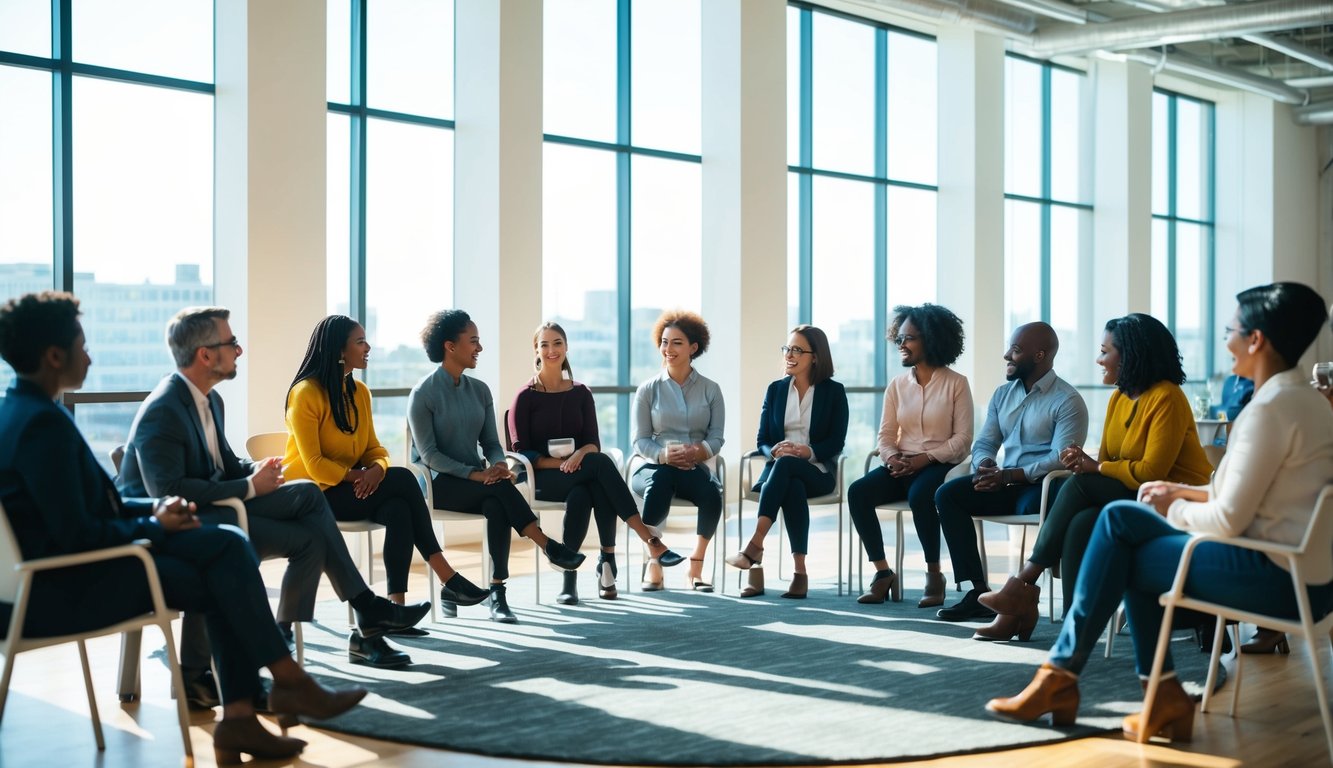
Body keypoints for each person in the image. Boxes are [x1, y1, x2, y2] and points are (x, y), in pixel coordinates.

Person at [0, 292, 366, 764]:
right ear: (54, 356)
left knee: (226, 552)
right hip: (60, 593)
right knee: (225, 558)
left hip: (64, 577)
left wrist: (152, 515)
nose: (89, 356)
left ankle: (247, 711)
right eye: (83, 346)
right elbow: (78, 536)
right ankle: (280, 686)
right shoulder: (41, 426)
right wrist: (152, 520)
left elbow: (95, 509)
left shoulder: (25, 413)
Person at [986, 282, 1333, 744]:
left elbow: (1228, 520)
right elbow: (1250, 497)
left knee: (1121, 535)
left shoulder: (1268, 410)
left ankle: (1064, 676)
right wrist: (1182, 494)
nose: (1226, 342)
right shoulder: (1309, 401)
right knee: (1116, 525)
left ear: (1256, 340)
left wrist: (1173, 506)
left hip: (1273, 577)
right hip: (1306, 574)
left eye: (1231, 330)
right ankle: (1131, 689)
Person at [117, 306, 430, 675]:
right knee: (312, 514)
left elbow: (226, 465)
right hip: (180, 529)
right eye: (231, 342)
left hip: (224, 511)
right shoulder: (163, 409)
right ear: (205, 355)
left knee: (308, 512)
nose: (239, 350)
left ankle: (299, 632)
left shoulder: (211, 401)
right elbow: (168, 493)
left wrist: (258, 470)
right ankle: (360, 617)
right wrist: (250, 485)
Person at [975, 314, 1213, 642]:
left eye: (1105, 351)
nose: (1099, 360)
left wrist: (1093, 467)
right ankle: (1077, 625)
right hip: (1137, 493)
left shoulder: (1166, 397)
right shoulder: (1119, 397)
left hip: (1174, 498)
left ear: (1130, 355)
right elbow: (1109, 461)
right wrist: (1087, 463)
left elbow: (1150, 473)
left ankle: (1024, 584)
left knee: (1079, 485)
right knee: (1081, 521)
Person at [282, 315, 490, 626]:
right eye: (360, 341)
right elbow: (314, 465)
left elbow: (374, 450)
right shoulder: (305, 393)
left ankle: (397, 608)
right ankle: (448, 576)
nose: (368, 347)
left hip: (352, 488)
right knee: (404, 478)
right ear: (339, 350)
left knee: (398, 509)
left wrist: (377, 469)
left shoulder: (359, 393)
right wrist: (361, 475)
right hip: (316, 494)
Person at [407, 310, 586, 624]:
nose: (479, 347)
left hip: (477, 481)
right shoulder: (423, 393)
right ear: (450, 346)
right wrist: (479, 474)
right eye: (473, 341)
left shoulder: (480, 391)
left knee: (497, 501)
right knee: (500, 491)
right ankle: (547, 545)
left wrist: (499, 464)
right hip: (439, 483)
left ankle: (497, 592)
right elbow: (430, 456)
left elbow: (491, 442)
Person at [507, 322, 684, 603]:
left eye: (557, 343)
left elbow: (592, 443)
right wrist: (563, 465)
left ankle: (571, 578)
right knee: (599, 467)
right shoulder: (525, 397)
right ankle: (641, 544)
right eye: (544, 344)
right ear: (536, 351)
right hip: (542, 479)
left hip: (579, 473)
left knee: (586, 490)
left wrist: (578, 456)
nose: (551, 350)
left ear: (566, 347)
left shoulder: (581, 393)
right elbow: (519, 454)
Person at [933, 322, 1090, 623]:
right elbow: (984, 442)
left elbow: (1060, 460)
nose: (1007, 355)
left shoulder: (1067, 401)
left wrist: (1010, 476)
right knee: (948, 495)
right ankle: (976, 592)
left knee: (1050, 496)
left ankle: (1026, 589)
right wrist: (985, 467)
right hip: (1005, 483)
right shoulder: (1002, 395)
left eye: (1016, 350)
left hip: (1042, 487)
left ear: (1040, 355)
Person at [847, 304, 973, 606]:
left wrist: (925, 459)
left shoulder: (957, 383)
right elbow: (886, 435)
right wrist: (891, 458)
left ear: (931, 339)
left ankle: (934, 574)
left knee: (920, 496)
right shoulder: (897, 385)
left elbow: (963, 440)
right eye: (899, 338)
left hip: (939, 464)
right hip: (901, 463)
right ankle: (882, 572)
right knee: (858, 492)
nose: (901, 345)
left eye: (909, 338)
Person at [725, 325, 847, 599]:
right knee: (790, 483)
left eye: (797, 350)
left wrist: (807, 451)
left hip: (818, 472)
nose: (789, 355)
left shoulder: (833, 392)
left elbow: (836, 441)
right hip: (780, 472)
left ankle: (754, 550)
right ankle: (799, 573)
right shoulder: (776, 389)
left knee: (788, 470)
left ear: (815, 356)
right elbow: (763, 439)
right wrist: (775, 451)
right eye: (787, 349)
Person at [630, 310, 726, 592]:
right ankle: (655, 562)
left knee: (712, 494)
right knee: (658, 483)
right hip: (655, 467)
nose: (668, 349)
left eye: (676, 343)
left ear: (693, 347)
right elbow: (640, 440)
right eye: (664, 342)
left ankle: (695, 567)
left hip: (694, 467)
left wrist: (699, 452)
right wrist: (663, 455)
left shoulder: (711, 389)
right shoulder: (648, 390)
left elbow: (717, 437)